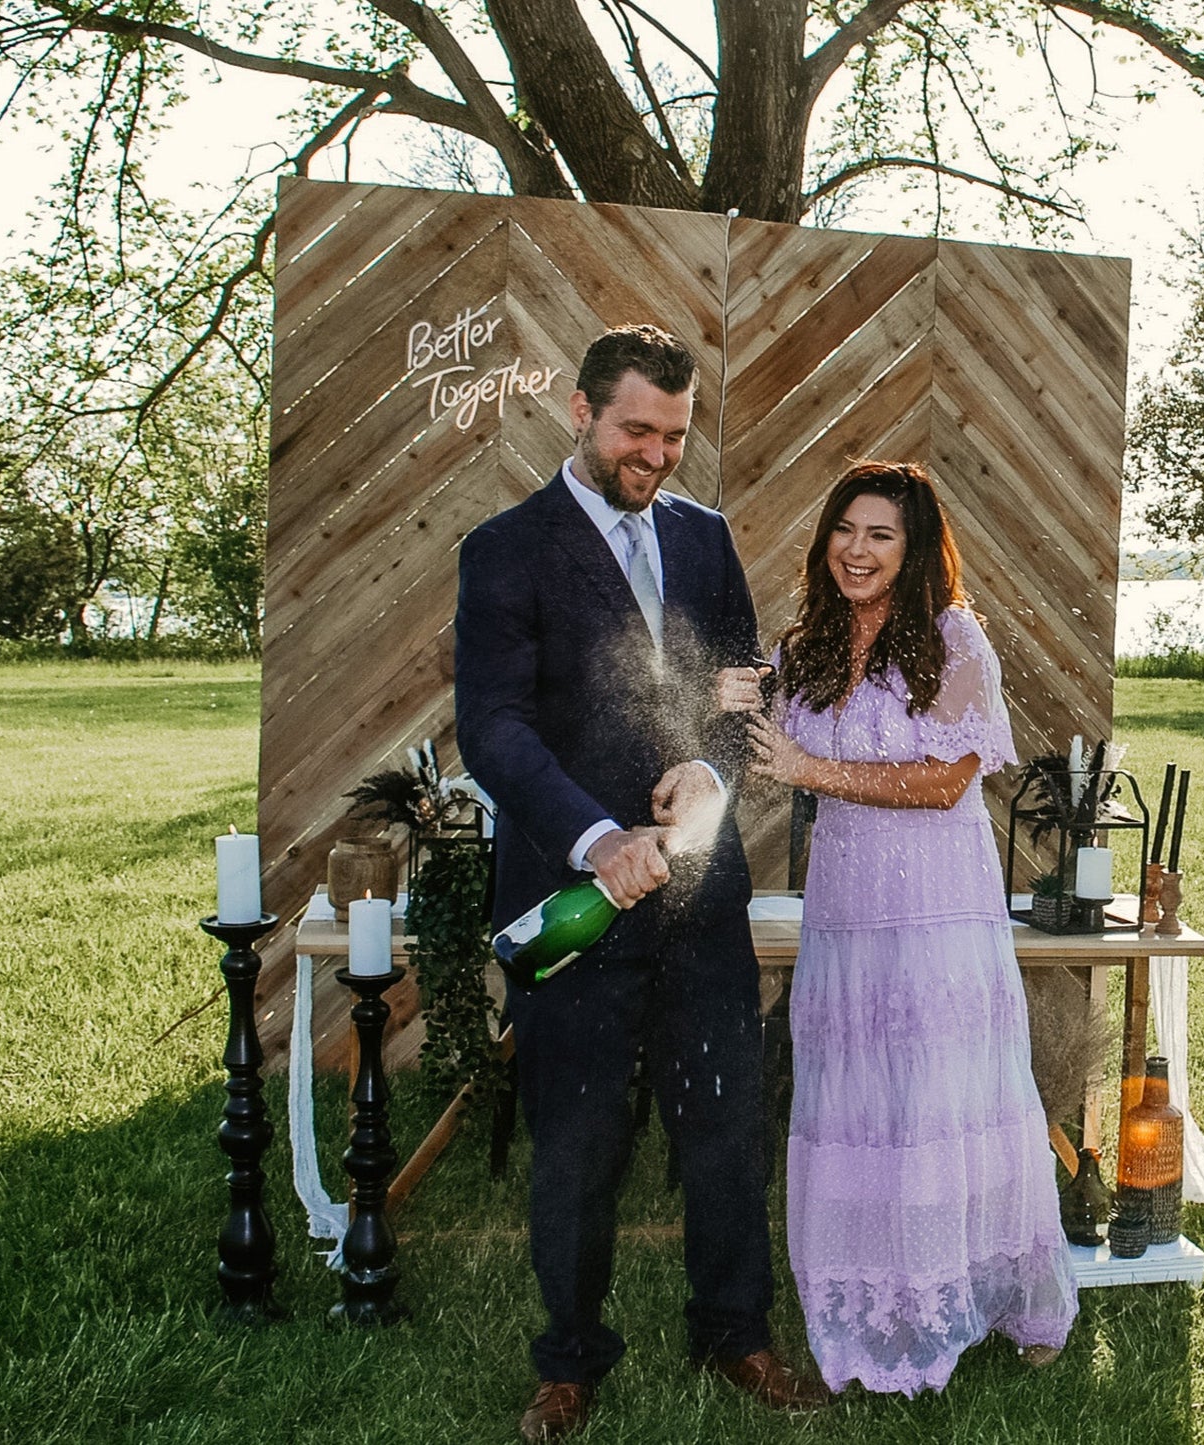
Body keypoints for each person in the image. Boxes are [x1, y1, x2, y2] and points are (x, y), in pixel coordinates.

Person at [454, 324, 828, 1441]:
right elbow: (494, 727)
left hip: (698, 900)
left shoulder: (706, 539)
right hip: (574, 898)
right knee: (575, 1138)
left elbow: (739, 695)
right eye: (634, 429)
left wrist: (709, 777)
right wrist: (591, 836)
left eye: (673, 433)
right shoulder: (504, 547)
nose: (656, 452)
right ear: (578, 411)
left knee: (721, 1124)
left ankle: (737, 1333)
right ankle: (569, 1358)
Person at [747, 460, 1078, 1396]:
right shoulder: (805, 644)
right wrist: (737, 705)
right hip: (846, 913)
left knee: (943, 1102)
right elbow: (768, 745)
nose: (856, 550)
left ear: (916, 546)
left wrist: (813, 773)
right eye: (844, 530)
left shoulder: (951, 637)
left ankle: (1000, 1295)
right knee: (861, 1105)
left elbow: (944, 784)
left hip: (936, 911)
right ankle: (875, 1307)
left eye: (879, 535)